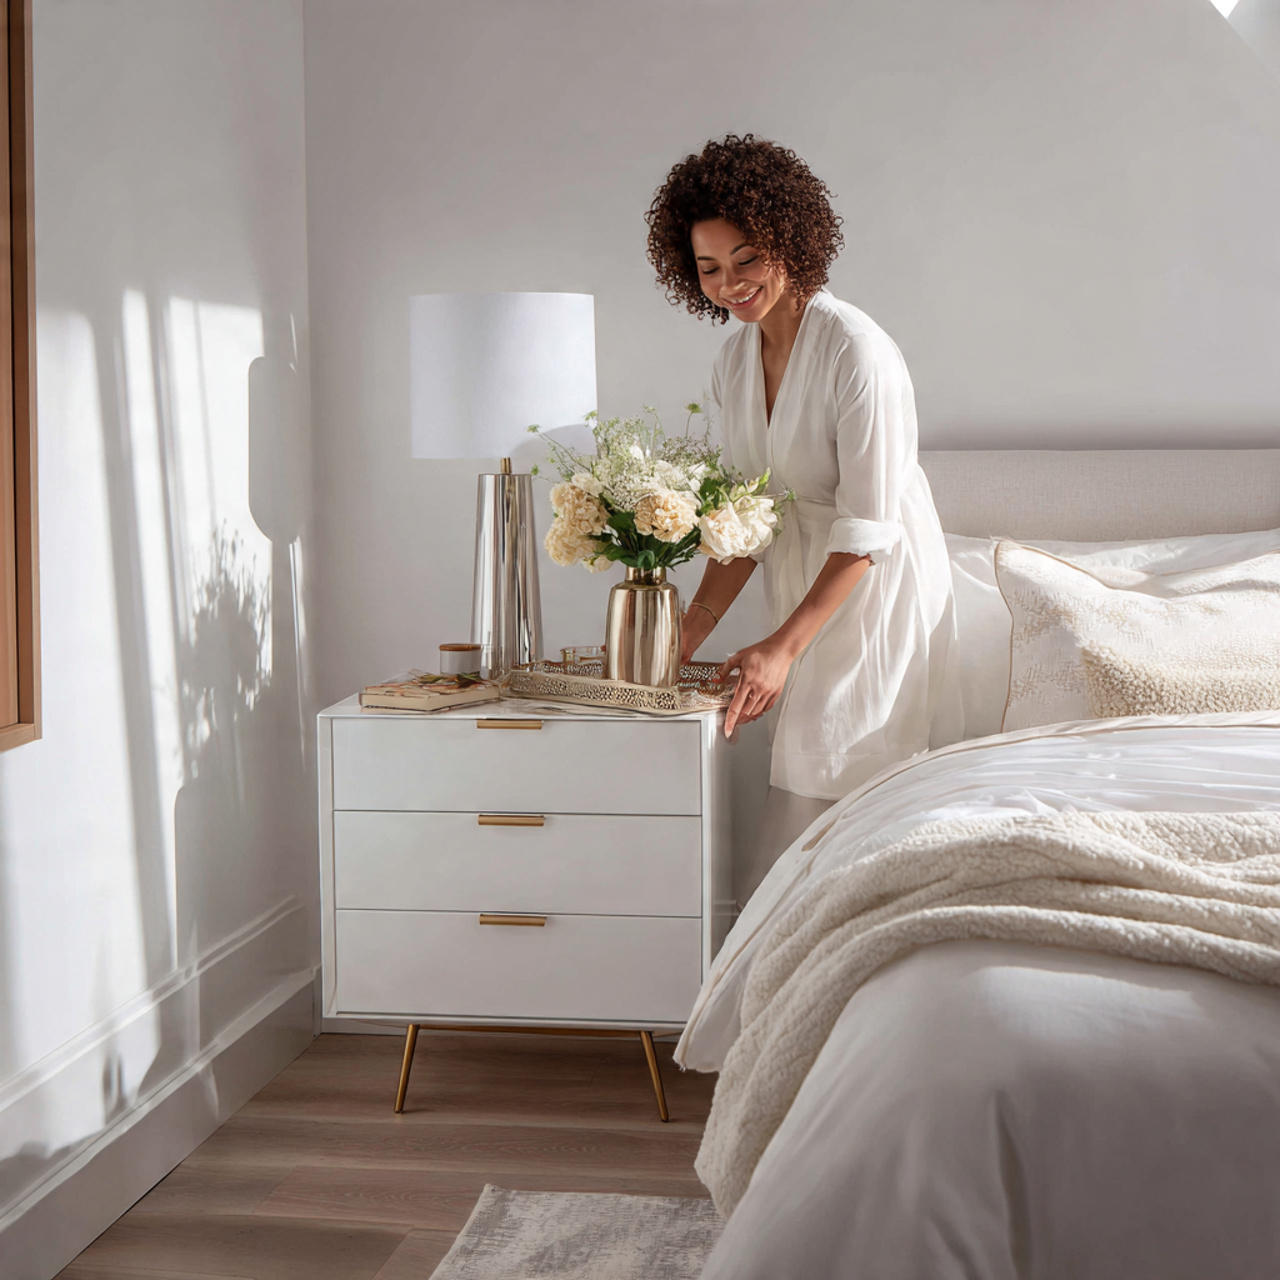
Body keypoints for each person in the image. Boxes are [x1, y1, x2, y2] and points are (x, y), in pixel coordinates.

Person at [646, 134, 959, 902]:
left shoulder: (857, 352)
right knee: (805, 765)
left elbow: (868, 529)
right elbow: (742, 522)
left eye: (747, 258)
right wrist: (690, 629)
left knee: (851, 763)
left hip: (868, 583)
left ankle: (871, 936)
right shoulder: (732, 362)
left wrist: (781, 649)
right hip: (796, 579)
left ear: (789, 238)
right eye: (710, 267)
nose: (730, 283)